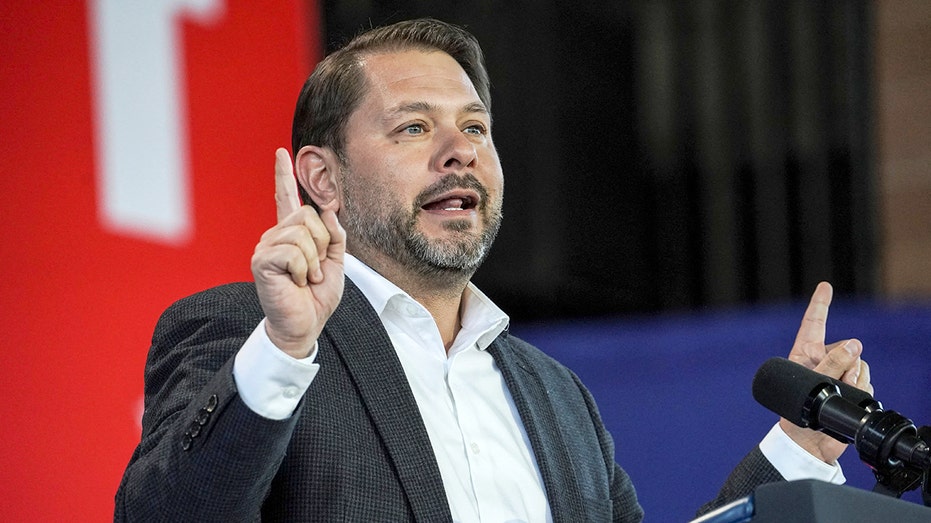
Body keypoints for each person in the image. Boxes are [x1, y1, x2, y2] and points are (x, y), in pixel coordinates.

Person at [114, 18, 872, 522]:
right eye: (414, 126)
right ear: (323, 177)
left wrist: (796, 451)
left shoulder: (555, 395)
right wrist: (283, 349)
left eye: (475, 126)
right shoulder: (246, 333)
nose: (460, 152)